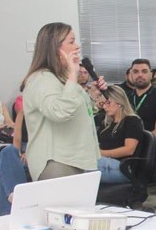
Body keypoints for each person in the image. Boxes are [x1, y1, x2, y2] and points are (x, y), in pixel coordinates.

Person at [21, 22, 105, 181]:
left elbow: (76, 112)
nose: (77, 46)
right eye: (71, 42)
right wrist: (73, 73)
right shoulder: (42, 79)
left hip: (70, 159)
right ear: (55, 47)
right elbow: (59, 112)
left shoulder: (60, 79)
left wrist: (93, 96)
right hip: (57, 162)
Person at [96, 87, 143, 184]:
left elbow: (129, 150)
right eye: (102, 103)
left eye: (108, 103)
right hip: (105, 162)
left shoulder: (132, 121)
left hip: (122, 167)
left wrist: (100, 153)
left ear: (119, 102)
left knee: (86, 168)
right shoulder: (106, 123)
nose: (105, 107)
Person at [126, 59, 156, 138]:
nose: (140, 75)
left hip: (150, 145)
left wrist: (138, 143)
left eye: (144, 71)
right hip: (126, 142)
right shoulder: (126, 97)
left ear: (151, 74)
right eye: (135, 71)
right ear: (131, 74)